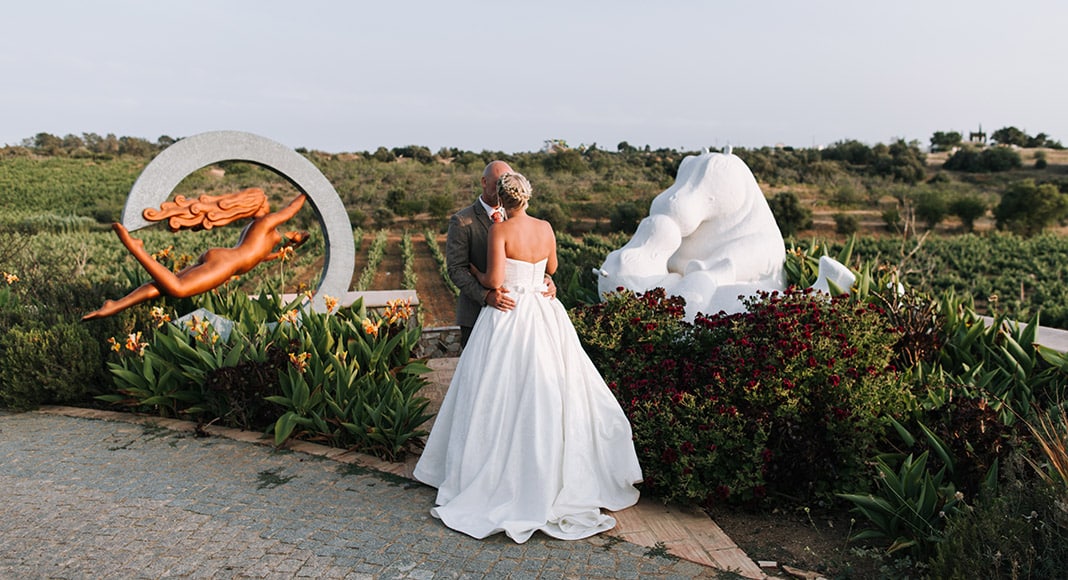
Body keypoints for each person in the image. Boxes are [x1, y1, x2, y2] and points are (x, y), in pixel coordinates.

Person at [413, 172, 642, 543]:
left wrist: (477, 272)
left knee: (495, 393)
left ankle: (491, 471)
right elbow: (551, 269)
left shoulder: (500, 231)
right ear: (529, 198)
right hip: (544, 313)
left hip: (509, 314)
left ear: (502, 200)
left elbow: (494, 280)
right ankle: (555, 474)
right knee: (553, 388)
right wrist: (541, 278)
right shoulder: (547, 227)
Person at [83, 189, 308, 320]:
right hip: (226, 264)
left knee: (162, 286)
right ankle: (137, 249)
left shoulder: (262, 230)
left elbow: (255, 257)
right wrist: (308, 190)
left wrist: (286, 250)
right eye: (267, 201)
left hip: (223, 258)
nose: (270, 205)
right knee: (178, 289)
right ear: (256, 205)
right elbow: (291, 209)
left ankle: (116, 305)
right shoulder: (266, 222)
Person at [445, 160, 555, 347]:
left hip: (524, 318)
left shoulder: (524, 220)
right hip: (476, 314)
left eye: (506, 183)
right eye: (498, 183)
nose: (502, 188)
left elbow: (533, 260)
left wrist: (544, 280)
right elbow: (456, 269)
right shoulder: (462, 221)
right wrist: (485, 295)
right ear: (484, 182)